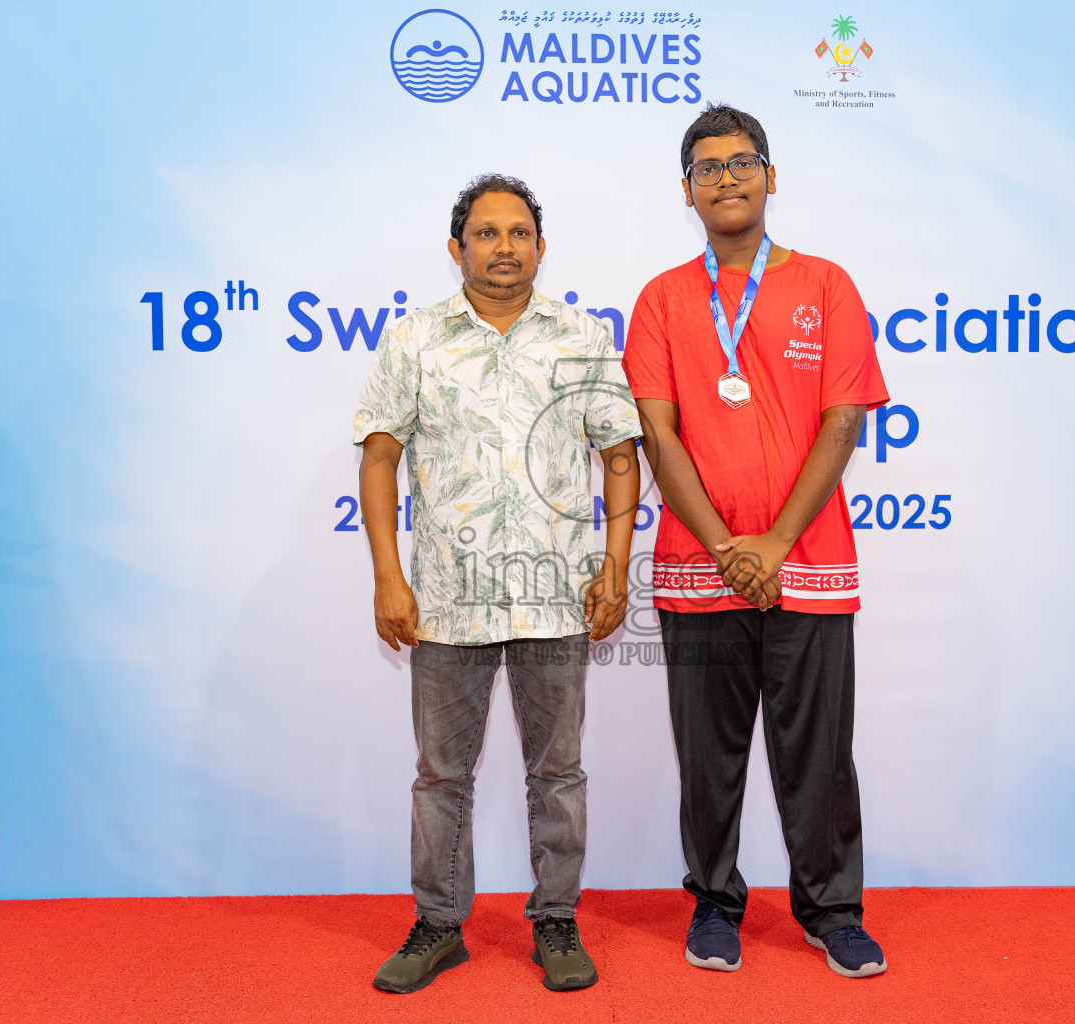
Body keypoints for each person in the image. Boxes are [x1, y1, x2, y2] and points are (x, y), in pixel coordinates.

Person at [353, 173, 642, 994]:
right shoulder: (414, 341)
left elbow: (619, 454)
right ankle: (439, 926)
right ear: (457, 249)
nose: (504, 247)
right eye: (486, 233)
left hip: (556, 592)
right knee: (441, 774)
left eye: (519, 233)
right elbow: (381, 457)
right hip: (446, 598)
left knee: (558, 772)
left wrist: (616, 565)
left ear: (541, 248)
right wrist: (388, 576)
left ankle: (555, 920)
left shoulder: (581, 338)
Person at [622, 104, 891, 978]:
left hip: (809, 565)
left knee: (819, 755)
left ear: (772, 177)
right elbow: (658, 437)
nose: (726, 178)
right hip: (697, 571)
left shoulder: (827, 284)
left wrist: (773, 543)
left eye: (743, 162)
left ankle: (832, 910)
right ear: (687, 191)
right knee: (708, 759)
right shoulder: (663, 299)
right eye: (707, 167)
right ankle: (713, 902)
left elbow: (843, 419)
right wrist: (728, 547)